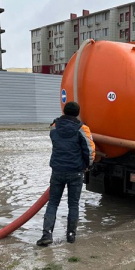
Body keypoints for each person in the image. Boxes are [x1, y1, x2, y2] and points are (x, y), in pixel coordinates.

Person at [37, 101, 95, 246]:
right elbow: (89, 151)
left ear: (64, 111)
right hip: (75, 172)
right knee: (73, 204)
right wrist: (87, 166)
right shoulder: (82, 129)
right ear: (77, 113)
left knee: (53, 203)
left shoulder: (54, 127)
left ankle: (46, 234)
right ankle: (70, 235)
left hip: (57, 171)